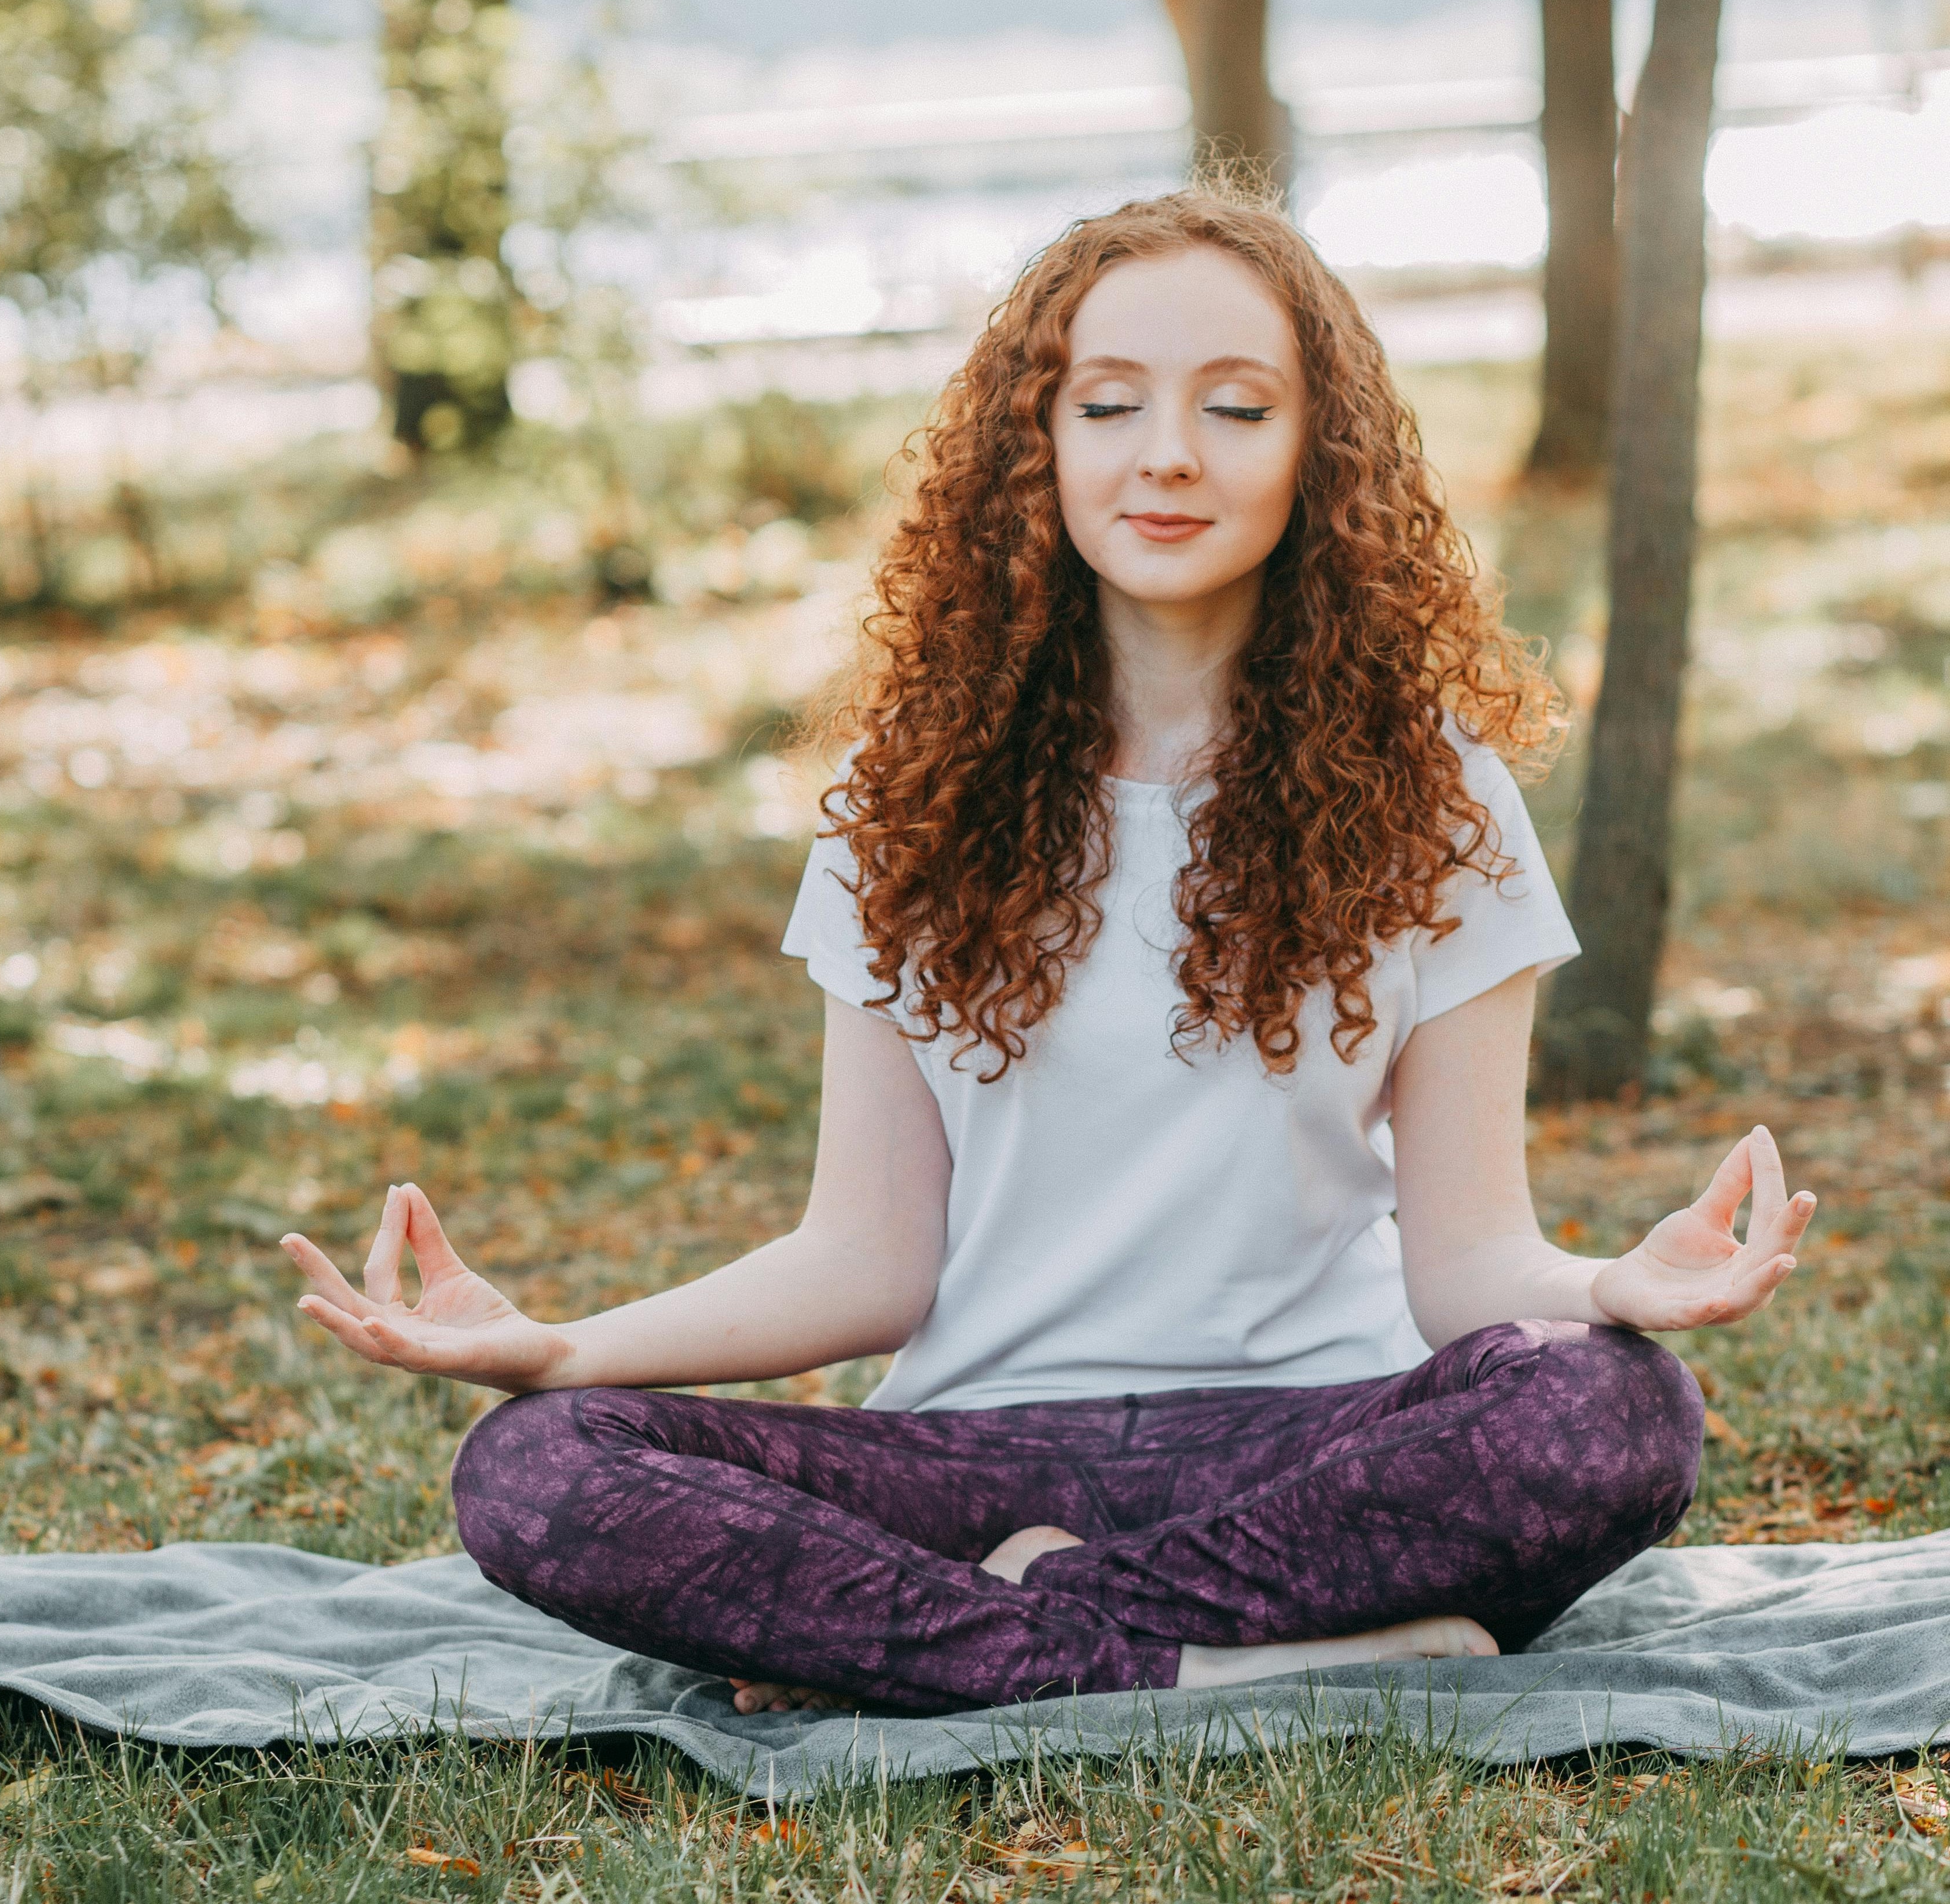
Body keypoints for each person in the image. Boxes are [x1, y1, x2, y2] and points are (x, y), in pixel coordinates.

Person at [284, 185, 1816, 1720]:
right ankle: (1240, 1656)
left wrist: (1609, 1284)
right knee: (538, 1467)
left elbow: (1470, 1262)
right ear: (1042, 446)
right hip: (972, 1455)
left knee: (1613, 1410)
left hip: (1316, 1452)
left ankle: (1009, 1635)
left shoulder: (1439, 798)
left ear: (1317, 454)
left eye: (1234, 406)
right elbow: (864, 1260)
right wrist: (560, 1349)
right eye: (1109, 403)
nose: (1168, 453)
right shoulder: (912, 801)